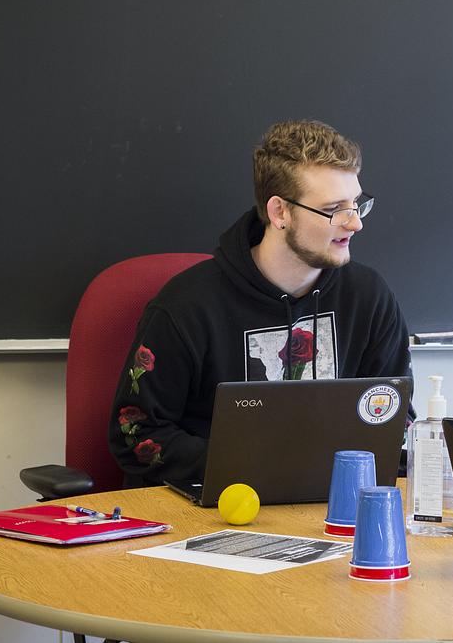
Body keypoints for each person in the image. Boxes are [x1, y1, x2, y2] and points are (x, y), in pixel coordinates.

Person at [108, 119, 412, 486]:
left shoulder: (369, 296)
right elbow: (135, 434)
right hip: (216, 510)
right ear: (279, 212)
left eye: (357, 204)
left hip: (330, 506)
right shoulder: (187, 306)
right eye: (334, 210)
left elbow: (391, 417)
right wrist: (258, 467)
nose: (354, 224)